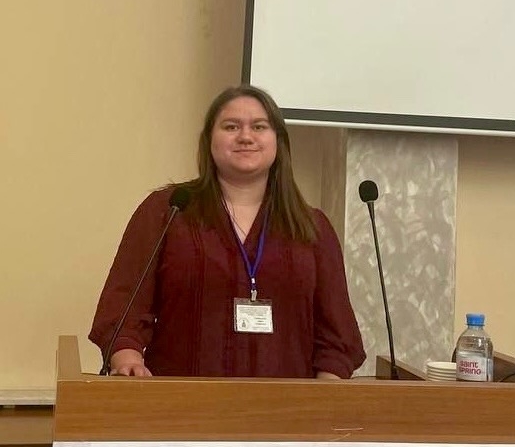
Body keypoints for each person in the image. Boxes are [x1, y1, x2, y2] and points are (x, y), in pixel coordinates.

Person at [89, 85, 365, 378]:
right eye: (231, 126)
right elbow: (123, 306)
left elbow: (336, 336)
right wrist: (127, 359)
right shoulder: (168, 211)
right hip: (181, 399)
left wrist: (326, 392)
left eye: (259, 127)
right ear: (209, 140)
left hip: (288, 404)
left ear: (278, 141)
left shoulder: (312, 227)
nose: (245, 136)